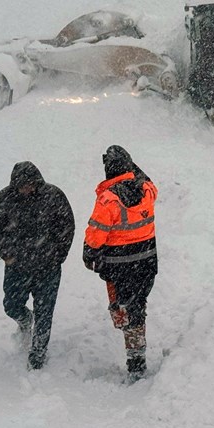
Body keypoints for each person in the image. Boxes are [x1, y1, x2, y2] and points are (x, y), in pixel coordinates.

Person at [83, 145, 159, 381]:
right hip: (146, 263)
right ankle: (136, 354)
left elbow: (96, 235)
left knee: (125, 310)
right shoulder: (146, 190)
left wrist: (89, 253)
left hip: (120, 266)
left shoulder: (108, 200)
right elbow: (148, 180)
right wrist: (131, 166)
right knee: (137, 307)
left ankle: (135, 360)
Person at [0, 161, 75, 370]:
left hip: (48, 268)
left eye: (30, 184)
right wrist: (6, 255)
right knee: (11, 305)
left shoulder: (53, 196)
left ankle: (37, 355)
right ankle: (26, 320)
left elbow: (67, 226)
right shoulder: (6, 197)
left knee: (45, 313)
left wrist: (58, 255)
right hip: (17, 267)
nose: (27, 189)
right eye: (22, 186)